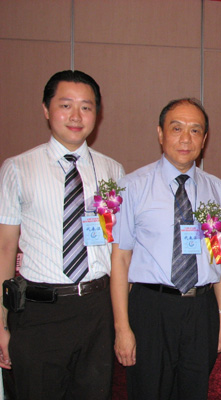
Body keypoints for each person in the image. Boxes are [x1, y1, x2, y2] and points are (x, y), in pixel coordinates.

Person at [0, 70, 124, 399]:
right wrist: (0, 322)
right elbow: (5, 248)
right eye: (65, 105)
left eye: (86, 107)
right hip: (38, 312)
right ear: (46, 109)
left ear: (97, 115)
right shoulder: (17, 168)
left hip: (97, 310)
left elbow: (117, 247)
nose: (76, 116)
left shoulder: (112, 171)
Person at [111, 98, 221, 400]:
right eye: (176, 128)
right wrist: (122, 327)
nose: (185, 138)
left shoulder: (217, 189)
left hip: (201, 310)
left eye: (195, 130)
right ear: (160, 133)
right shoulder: (132, 186)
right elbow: (121, 259)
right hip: (151, 308)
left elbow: (220, 256)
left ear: (204, 139)